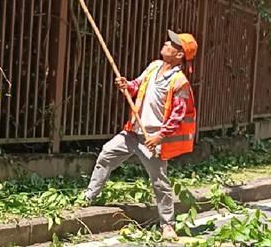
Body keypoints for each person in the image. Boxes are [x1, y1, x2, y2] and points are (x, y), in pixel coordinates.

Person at [82, 29, 198, 241]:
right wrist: (127, 85)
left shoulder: (180, 82)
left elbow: (178, 115)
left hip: (152, 139)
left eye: (171, 43)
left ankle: (168, 225)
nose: (165, 43)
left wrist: (160, 137)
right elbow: (138, 86)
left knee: (160, 183)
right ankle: (89, 196)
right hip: (132, 132)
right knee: (106, 155)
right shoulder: (154, 66)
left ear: (180, 55)